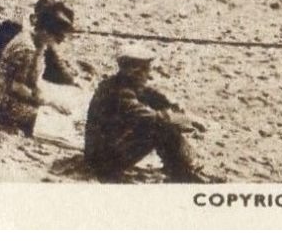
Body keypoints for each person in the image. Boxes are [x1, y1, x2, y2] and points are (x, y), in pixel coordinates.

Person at [83, 46, 210, 183]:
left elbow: (148, 93)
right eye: (145, 69)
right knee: (161, 127)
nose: (148, 74)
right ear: (133, 71)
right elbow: (150, 117)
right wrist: (187, 119)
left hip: (103, 152)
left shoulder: (119, 82)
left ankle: (184, 168)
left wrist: (171, 103)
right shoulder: (120, 93)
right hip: (103, 161)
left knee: (163, 123)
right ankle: (184, 172)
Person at [0, 0, 78, 134]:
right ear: (45, 31)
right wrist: (49, 102)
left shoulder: (38, 43)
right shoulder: (27, 48)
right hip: (7, 105)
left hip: (15, 99)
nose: (58, 42)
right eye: (57, 37)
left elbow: (33, 80)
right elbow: (17, 87)